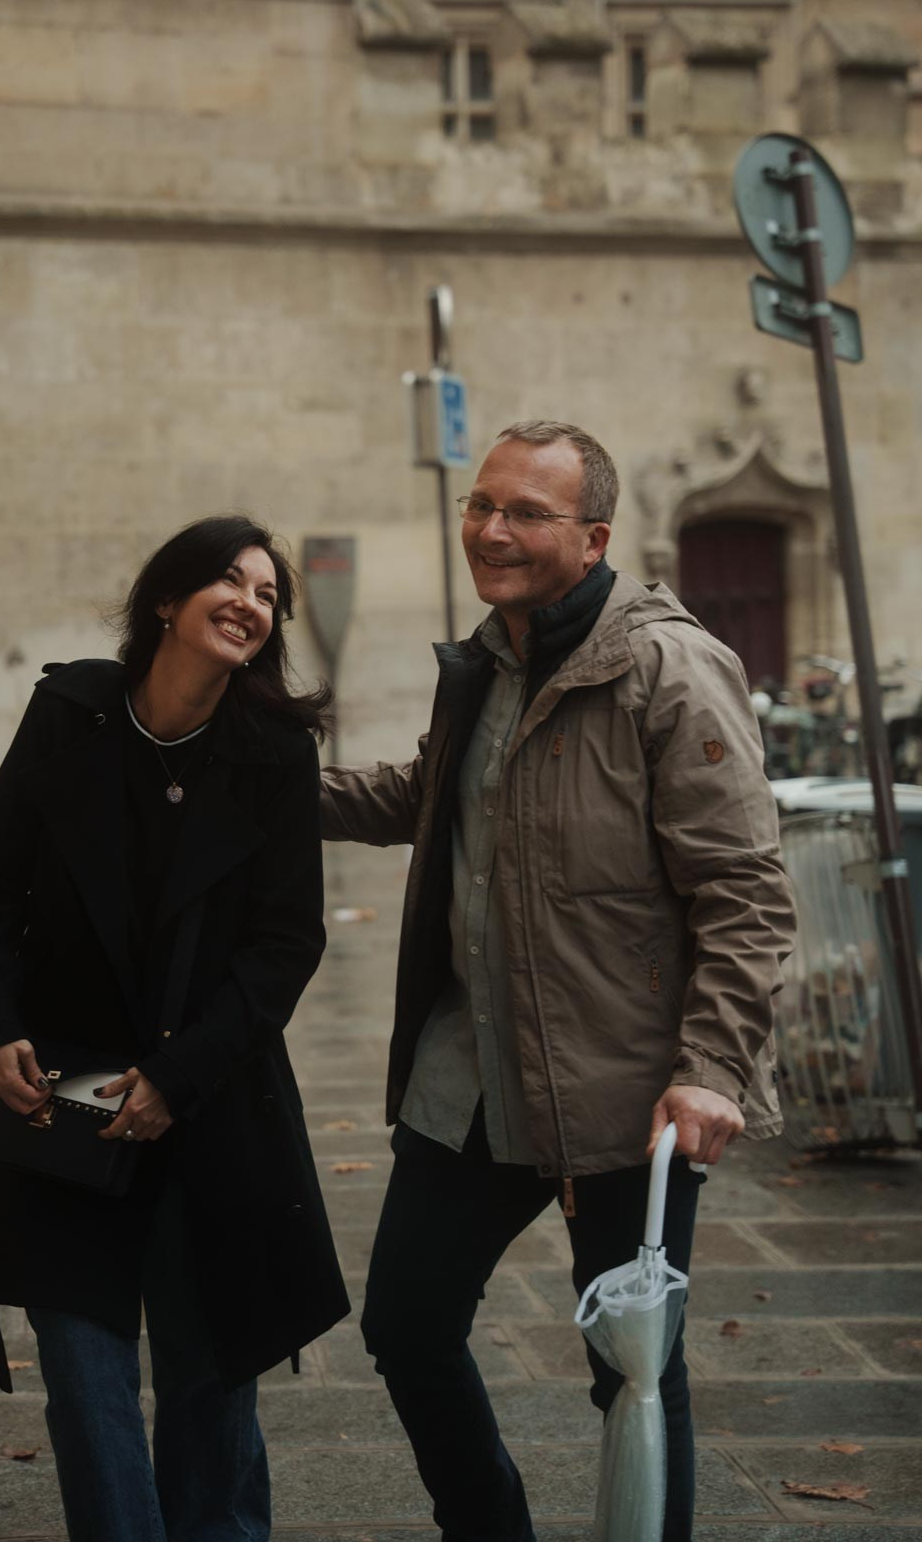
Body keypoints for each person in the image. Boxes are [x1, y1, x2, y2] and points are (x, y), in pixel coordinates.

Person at [320, 420, 795, 1542]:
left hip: (622, 1089)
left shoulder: (667, 668)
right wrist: (261, 786)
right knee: (407, 1325)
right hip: (472, 1072)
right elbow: (429, 794)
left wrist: (712, 1066)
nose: (492, 530)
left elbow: (745, 889)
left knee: (632, 1368)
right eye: (481, 505)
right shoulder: (489, 658)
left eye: (526, 512)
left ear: (595, 538)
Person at [0, 515, 349, 1542]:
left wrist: (178, 1076)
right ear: (165, 599)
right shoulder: (68, 714)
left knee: (210, 1384)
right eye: (230, 580)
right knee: (86, 1384)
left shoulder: (273, 755)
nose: (251, 602)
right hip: (66, 1100)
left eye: (269, 595)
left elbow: (284, 946)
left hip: (211, 1102)